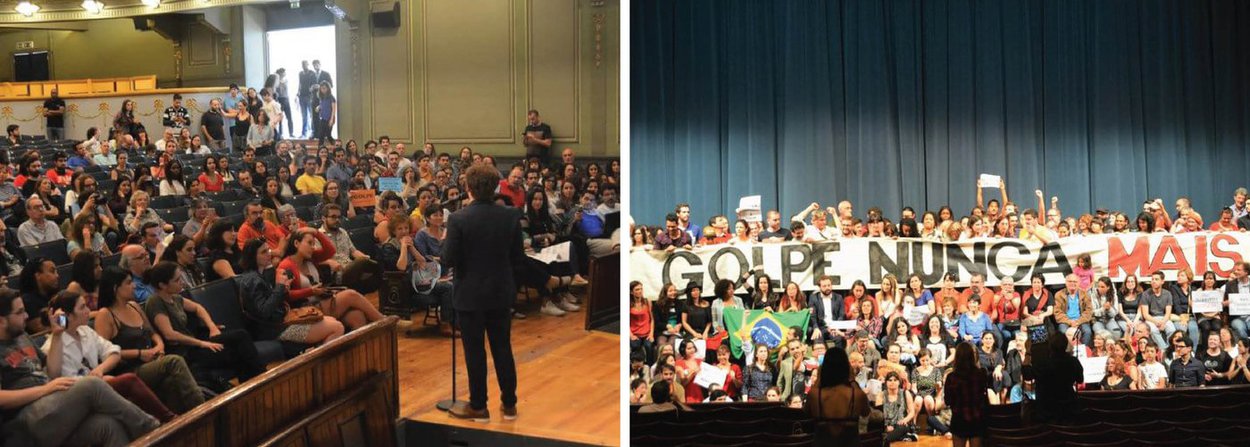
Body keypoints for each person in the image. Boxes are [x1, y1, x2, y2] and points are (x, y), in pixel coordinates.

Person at [0, 288, 160, 446]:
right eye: (19, 312)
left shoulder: (22, 336)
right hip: (27, 420)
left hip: (53, 406)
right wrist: (45, 389)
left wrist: (57, 335)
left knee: (108, 426)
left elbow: (53, 371)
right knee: (92, 384)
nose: (27, 316)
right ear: (1, 320)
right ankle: (154, 429)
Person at [442, 164, 522, 422]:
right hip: (500, 292)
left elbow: (448, 259)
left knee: (475, 352)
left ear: (468, 188)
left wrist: (447, 239)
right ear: (496, 186)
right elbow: (517, 258)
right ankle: (509, 405)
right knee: (503, 348)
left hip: (469, 295)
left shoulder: (458, 219)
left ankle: (479, 406)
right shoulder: (511, 216)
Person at [42, 291, 177, 422]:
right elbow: (62, 380)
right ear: (68, 316)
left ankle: (169, 423)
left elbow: (114, 352)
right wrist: (96, 379)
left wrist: (100, 370)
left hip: (99, 385)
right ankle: (166, 420)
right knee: (128, 380)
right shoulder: (52, 346)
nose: (88, 311)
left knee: (167, 383)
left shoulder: (85, 331)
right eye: (82, 307)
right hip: (78, 396)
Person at [143, 261, 265, 392]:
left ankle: (254, 384)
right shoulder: (155, 302)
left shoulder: (175, 297)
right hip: (185, 352)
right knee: (237, 347)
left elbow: (198, 308)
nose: (182, 282)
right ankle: (256, 383)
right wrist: (202, 343)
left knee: (240, 337)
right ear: (162, 285)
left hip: (195, 343)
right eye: (177, 280)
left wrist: (212, 326)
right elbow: (169, 334)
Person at [235, 238, 344, 347]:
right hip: (273, 329)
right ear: (252, 256)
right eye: (263, 252)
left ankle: (315, 356)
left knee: (333, 320)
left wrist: (284, 288)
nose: (269, 254)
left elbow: (273, 300)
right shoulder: (252, 280)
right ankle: (318, 361)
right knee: (337, 328)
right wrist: (280, 287)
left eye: (268, 250)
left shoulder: (261, 273)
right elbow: (264, 311)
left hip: (280, 321)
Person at [278, 228, 384, 331]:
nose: (313, 247)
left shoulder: (310, 258)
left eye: (313, 244)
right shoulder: (286, 265)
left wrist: (316, 233)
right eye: (309, 243)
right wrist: (310, 291)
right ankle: (384, 322)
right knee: (350, 295)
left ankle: (357, 349)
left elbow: (330, 251)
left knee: (357, 317)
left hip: (320, 301)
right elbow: (285, 295)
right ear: (296, 243)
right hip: (304, 310)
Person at [806, 346, 870, 446]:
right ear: (847, 368)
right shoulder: (856, 394)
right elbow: (866, 412)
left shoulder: (814, 394)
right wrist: (852, 379)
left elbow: (807, 414)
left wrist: (819, 377)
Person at [945, 342, 989, 446]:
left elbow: (948, 400)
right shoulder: (981, 373)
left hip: (959, 418)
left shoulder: (951, 377)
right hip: (977, 417)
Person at [1054, 274, 1094, 347]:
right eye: (1070, 281)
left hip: (1081, 320)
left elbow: (1089, 311)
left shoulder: (1085, 294)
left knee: (1087, 332)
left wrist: (1078, 322)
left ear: (1079, 283)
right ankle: (1066, 352)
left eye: (1075, 281)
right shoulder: (1059, 295)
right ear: (1066, 283)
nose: (1072, 283)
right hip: (1065, 321)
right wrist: (1070, 322)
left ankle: (1084, 351)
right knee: (1062, 332)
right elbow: (1057, 312)